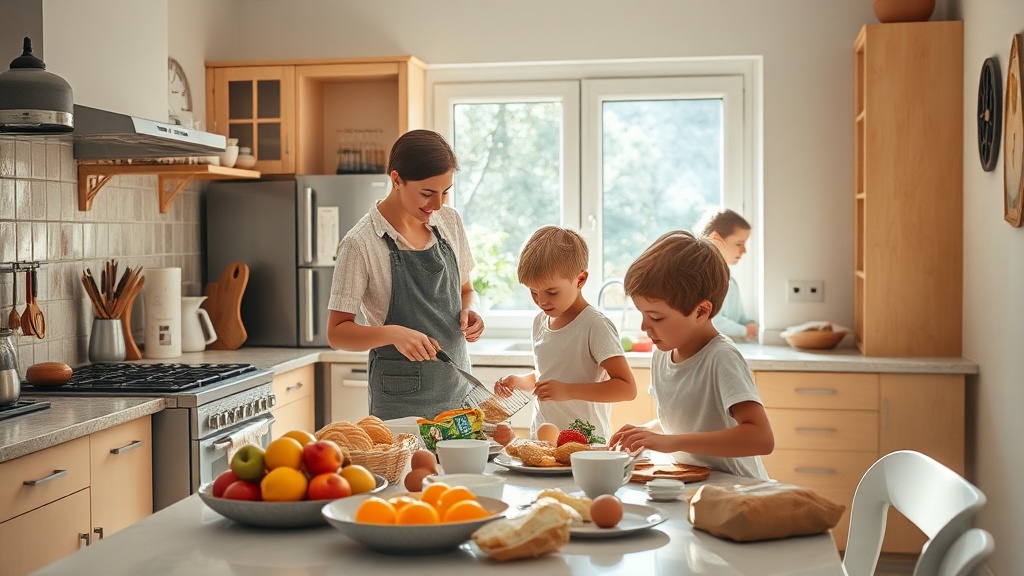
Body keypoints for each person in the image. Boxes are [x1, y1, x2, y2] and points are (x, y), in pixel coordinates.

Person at [326, 129, 484, 421]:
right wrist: (392, 334)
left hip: (458, 394)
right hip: (400, 408)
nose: (437, 204)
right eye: (427, 193)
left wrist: (471, 310)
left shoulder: (448, 221)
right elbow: (337, 332)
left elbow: (466, 289)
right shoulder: (360, 243)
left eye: (445, 192)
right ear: (396, 179)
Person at [608, 230, 773, 479]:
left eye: (656, 317)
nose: (644, 326)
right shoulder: (662, 354)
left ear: (701, 312)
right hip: (696, 484)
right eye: (641, 313)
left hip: (738, 489)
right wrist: (646, 432)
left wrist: (672, 442)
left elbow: (761, 438)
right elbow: (684, 424)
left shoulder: (720, 357)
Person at [494, 225, 636, 441]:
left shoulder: (594, 325)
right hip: (543, 442)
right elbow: (548, 378)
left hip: (586, 446)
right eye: (533, 292)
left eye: (551, 292)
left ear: (580, 280)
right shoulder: (540, 322)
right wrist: (518, 381)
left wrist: (568, 391)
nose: (541, 301)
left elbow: (626, 388)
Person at [695, 208, 758, 342]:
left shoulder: (730, 280)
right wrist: (745, 330)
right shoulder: (707, 279)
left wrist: (749, 323)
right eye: (739, 244)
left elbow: (739, 315)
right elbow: (714, 321)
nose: (744, 250)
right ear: (716, 238)